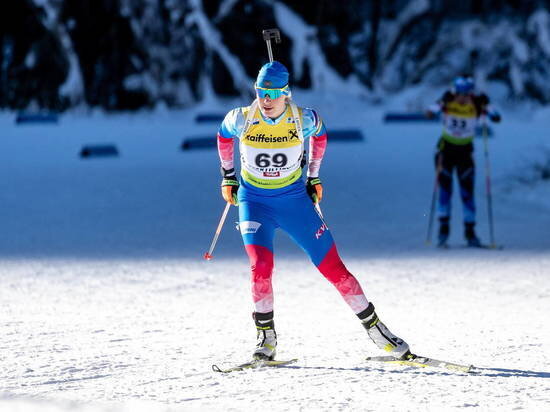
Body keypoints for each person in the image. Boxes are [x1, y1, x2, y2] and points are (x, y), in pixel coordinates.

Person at [216, 61, 410, 361]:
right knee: (261, 267)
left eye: (272, 93)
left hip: (294, 201)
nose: (265, 100)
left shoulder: (303, 118)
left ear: (286, 94)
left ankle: (375, 328)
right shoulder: (241, 118)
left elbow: (320, 135)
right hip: (254, 202)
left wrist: (314, 176)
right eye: (260, 92)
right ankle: (265, 338)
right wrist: (228, 175)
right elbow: (223, 135)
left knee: (332, 266)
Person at [426, 75, 501, 247]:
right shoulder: (448, 100)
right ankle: (443, 232)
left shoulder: (477, 103)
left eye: (467, 93)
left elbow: (496, 117)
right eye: (460, 93)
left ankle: (470, 233)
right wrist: (441, 102)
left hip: (465, 154)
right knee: (445, 193)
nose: (463, 97)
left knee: (467, 194)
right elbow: (429, 113)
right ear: (455, 91)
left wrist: (487, 105)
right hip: (445, 152)